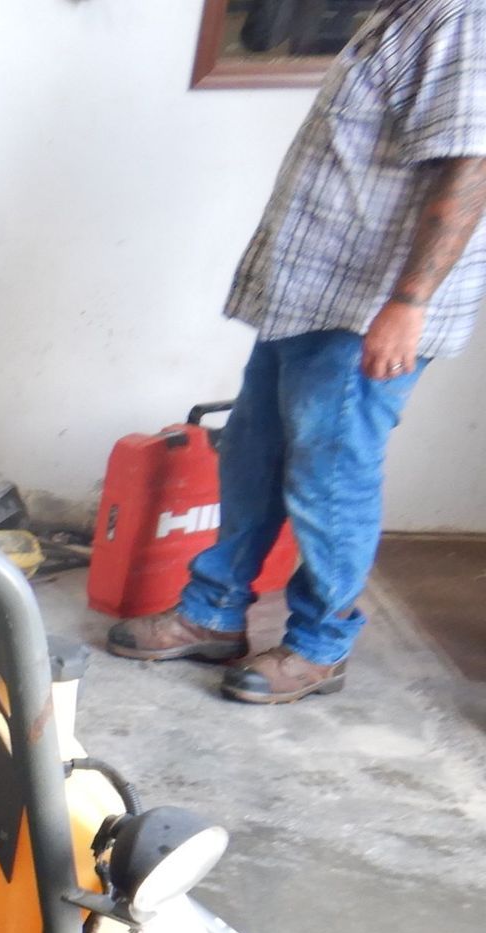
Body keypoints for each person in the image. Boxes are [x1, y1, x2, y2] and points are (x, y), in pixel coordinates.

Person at [109, 0, 486, 703]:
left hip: (363, 308)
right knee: (252, 456)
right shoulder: (402, 11)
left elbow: (472, 164)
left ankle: (320, 645)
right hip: (309, 295)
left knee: (330, 479)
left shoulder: (459, 15)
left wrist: (408, 303)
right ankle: (214, 611)